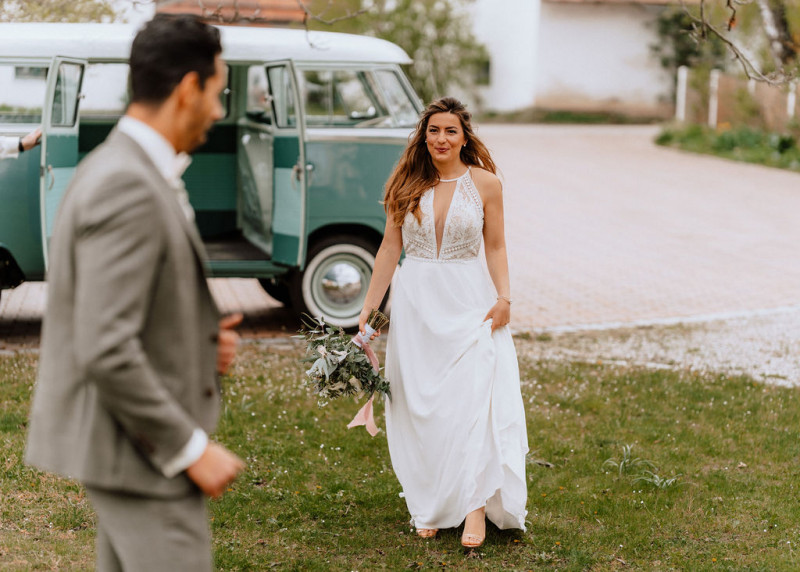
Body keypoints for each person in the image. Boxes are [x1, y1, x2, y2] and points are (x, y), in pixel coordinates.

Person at [25, 15, 245, 571]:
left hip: (130, 456)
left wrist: (199, 341)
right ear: (188, 88)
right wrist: (191, 449)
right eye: (217, 93)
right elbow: (105, 344)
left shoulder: (127, 168)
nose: (219, 111)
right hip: (145, 460)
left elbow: (117, 312)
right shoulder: (127, 183)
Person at [358, 97, 528, 548]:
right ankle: (431, 500)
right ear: (424, 136)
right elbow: (389, 250)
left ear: (464, 136)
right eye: (433, 130)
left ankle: (474, 507)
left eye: (450, 131)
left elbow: (496, 246)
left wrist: (505, 297)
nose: (441, 139)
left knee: (471, 402)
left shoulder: (486, 184)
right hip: (417, 308)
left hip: (470, 303)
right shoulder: (405, 182)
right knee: (422, 406)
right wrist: (370, 310)